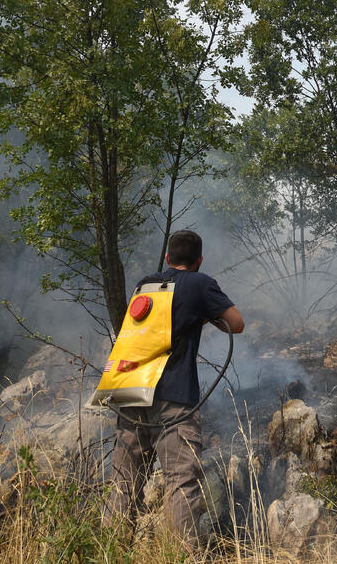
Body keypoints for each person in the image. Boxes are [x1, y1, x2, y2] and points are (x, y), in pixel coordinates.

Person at [104, 229, 244, 539]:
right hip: (173, 398)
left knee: (123, 481)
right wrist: (205, 314)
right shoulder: (201, 283)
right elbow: (236, 323)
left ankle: (109, 551)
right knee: (181, 483)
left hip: (130, 390)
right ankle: (181, 556)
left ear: (168, 258)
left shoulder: (146, 284)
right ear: (199, 260)